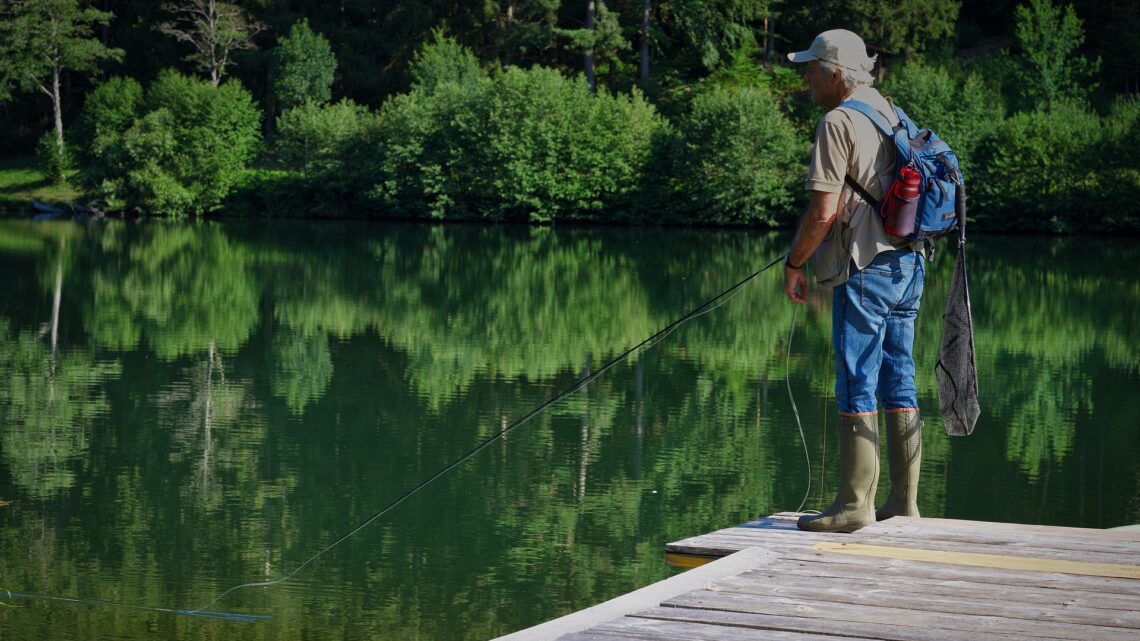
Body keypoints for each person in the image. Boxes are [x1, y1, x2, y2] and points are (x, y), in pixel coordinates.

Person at [783, 29, 928, 533]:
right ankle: (903, 503)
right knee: (900, 378)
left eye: (812, 68)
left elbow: (823, 213)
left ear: (836, 74)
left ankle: (852, 506)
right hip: (911, 264)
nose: (805, 77)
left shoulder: (837, 121)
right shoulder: (891, 111)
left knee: (856, 379)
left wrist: (795, 263)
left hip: (865, 267)